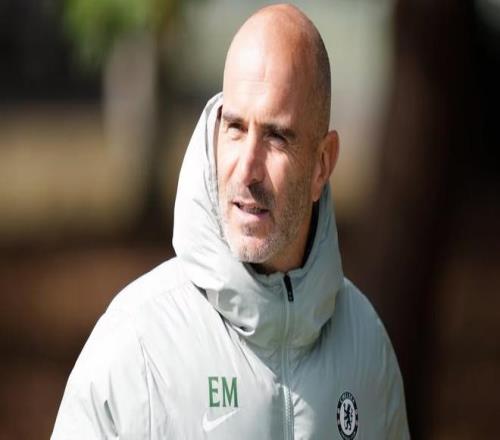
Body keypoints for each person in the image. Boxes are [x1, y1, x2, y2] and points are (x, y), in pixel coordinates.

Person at [52, 4, 409, 439]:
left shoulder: (366, 347)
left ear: (322, 164)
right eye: (236, 128)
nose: (247, 169)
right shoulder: (135, 347)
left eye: (276, 136)